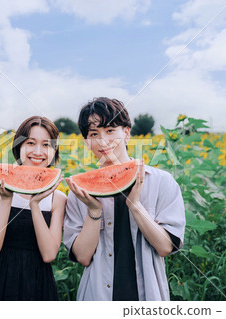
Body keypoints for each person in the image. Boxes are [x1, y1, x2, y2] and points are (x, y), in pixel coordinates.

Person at [63, 97, 185, 301]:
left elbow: (165, 247)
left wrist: (135, 205)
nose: (102, 141)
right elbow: (83, 257)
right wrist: (93, 212)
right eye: (94, 134)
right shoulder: (79, 193)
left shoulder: (162, 182)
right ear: (86, 142)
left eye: (110, 130)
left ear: (126, 133)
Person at [0, 116, 66, 301]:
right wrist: (6, 199)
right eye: (30, 143)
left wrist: (35, 204)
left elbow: (49, 255)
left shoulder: (58, 198)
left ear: (54, 151)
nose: (38, 152)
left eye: (46, 145)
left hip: (38, 285)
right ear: (19, 147)